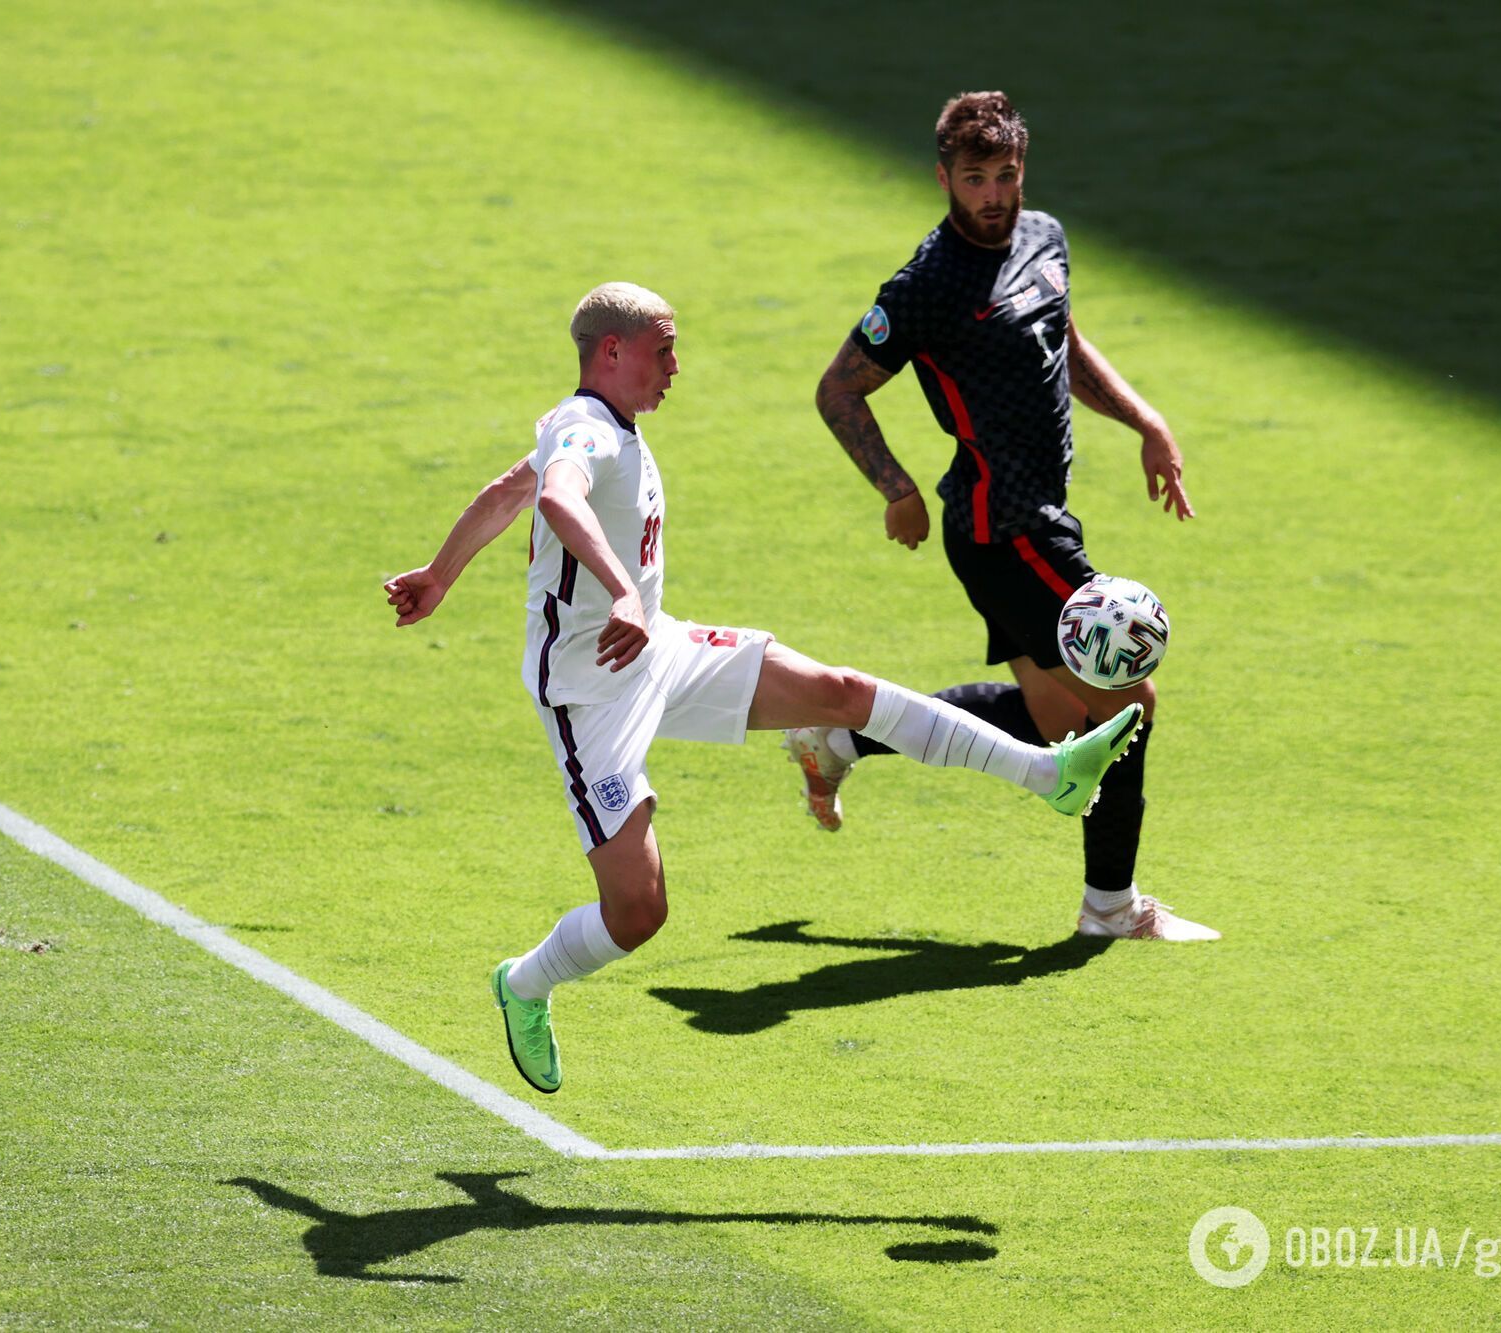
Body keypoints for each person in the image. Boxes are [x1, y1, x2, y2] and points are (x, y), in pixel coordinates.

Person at [384, 282, 1145, 1094]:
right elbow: (559, 498)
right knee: (638, 914)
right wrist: (624, 590)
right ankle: (524, 984)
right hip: (590, 697)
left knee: (842, 690)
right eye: (662, 349)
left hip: (658, 652)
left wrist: (439, 572)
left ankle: (1051, 775)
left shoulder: (594, 426)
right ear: (611, 351)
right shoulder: (583, 430)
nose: (676, 365)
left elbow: (513, 490)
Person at [789, 90, 1215, 943]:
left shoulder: (1044, 238)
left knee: (1061, 722)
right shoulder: (927, 285)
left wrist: (1146, 421)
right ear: (944, 176)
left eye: (1006, 175)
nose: (993, 194)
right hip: (1001, 529)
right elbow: (838, 389)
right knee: (1130, 690)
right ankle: (1112, 907)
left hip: (1040, 518)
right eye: (975, 178)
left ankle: (843, 737)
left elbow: (1064, 341)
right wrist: (896, 488)